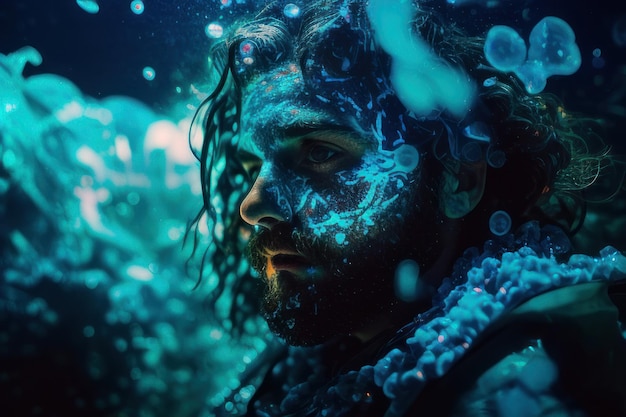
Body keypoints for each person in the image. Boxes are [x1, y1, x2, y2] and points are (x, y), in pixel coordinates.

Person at [189, 1, 626, 416]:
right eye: (253, 165)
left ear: (461, 179)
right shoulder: (320, 359)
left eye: (320, 153)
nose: (252, 204)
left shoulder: (515, 388)